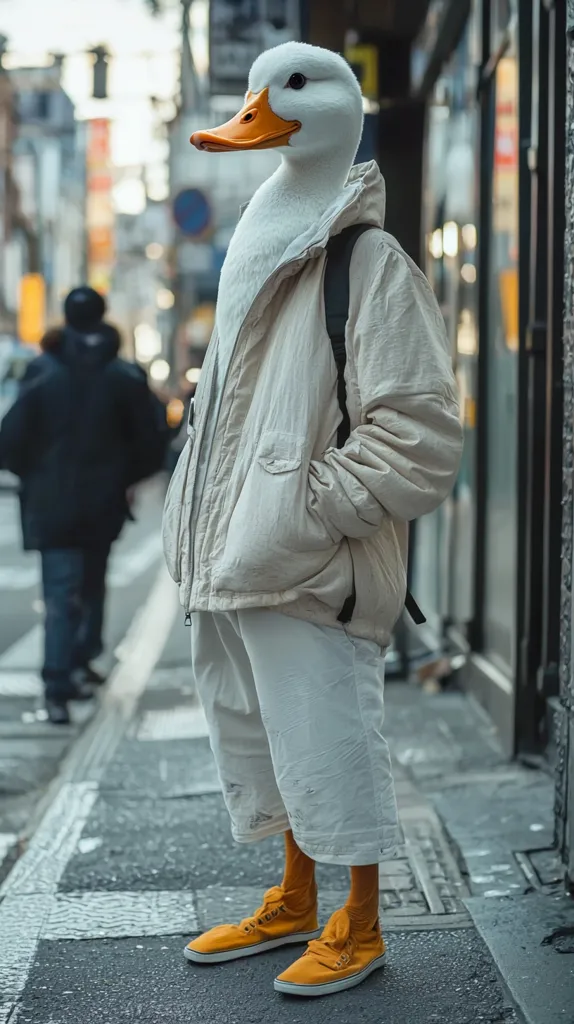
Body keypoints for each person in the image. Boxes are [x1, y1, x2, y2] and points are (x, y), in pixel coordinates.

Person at [163, 42, 463, 998]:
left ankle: (362, 919)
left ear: (343, 106)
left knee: (331, 737)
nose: (259, 107)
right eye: (259, 90)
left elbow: (418, 430)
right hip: (241, 552)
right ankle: (294, 896)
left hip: (307, 558)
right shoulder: (265, 231)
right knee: (259, 731)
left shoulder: (369, 260)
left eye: (290, 87)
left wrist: (308, 507)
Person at [0, 286, 165, 725]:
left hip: (50, 506)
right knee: (92, 582)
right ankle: (81, 660)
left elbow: (10, 441)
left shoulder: (40, 371)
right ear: (103, 316)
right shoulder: (123, 376)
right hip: (102, 502)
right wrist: (124, 479)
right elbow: (152, 442)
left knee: (59, 595)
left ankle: (57, 688)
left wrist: (34, 478)